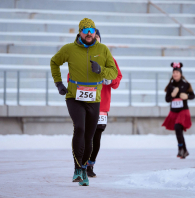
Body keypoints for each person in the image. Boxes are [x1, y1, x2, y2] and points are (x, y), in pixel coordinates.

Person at [50, 18, 118, 186]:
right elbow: (54, 62)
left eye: (92, 30)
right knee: (79, 128)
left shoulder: (103, 50)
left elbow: (114, 73)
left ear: (95, 32)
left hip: (94, 99)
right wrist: (59, 84)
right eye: (85, 30)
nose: (89, 34)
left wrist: (101, 70)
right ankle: (78, 169)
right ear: (80, 32)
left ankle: (85, 167)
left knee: (90, 136)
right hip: (74, 97)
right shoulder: (69, 49)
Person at [87, 29, 123, 177]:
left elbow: (117, 79)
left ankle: (90, 164)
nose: (95, 40)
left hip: (102, 105)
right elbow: (71, 76)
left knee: (97, 135)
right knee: (85, 134)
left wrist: (109, 79)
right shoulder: (81, 58)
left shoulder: (109, 59)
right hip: (86, 102)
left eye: (97, 38)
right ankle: (81, 164)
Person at [162, 62, 195, 159]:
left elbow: (193, 96)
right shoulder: (170, 86)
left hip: (183, 111)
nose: (175, 74)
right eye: (174, 72)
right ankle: (184, 150)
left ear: (180, 74)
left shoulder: (186, 85)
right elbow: (167, 99)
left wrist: (187, 96)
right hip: (174, 111)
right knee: (178, 131)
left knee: (177, 127)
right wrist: (172, 95)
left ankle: (180, 148)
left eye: (177, 72)